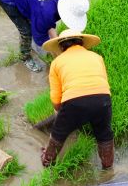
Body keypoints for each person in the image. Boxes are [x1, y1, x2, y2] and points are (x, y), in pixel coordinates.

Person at [40, 29, 114, 170]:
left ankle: (47, 161)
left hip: (74, 102)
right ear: (81, 43)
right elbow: (104, 83)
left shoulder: (57, 62)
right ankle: (108, 167)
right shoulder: (96, 57)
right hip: (103, 100)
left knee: (58, 133)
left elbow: (56, 97)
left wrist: (60, 113)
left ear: (61, 47)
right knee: (104, 134)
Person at [0, 0, 89, 72]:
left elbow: (48, 22)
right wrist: (58, 55)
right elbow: (41, 39)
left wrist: (57, 42)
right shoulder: (46, 11)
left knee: (36, 20)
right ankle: (25, 58)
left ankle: (32, 34)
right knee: (26, 31)